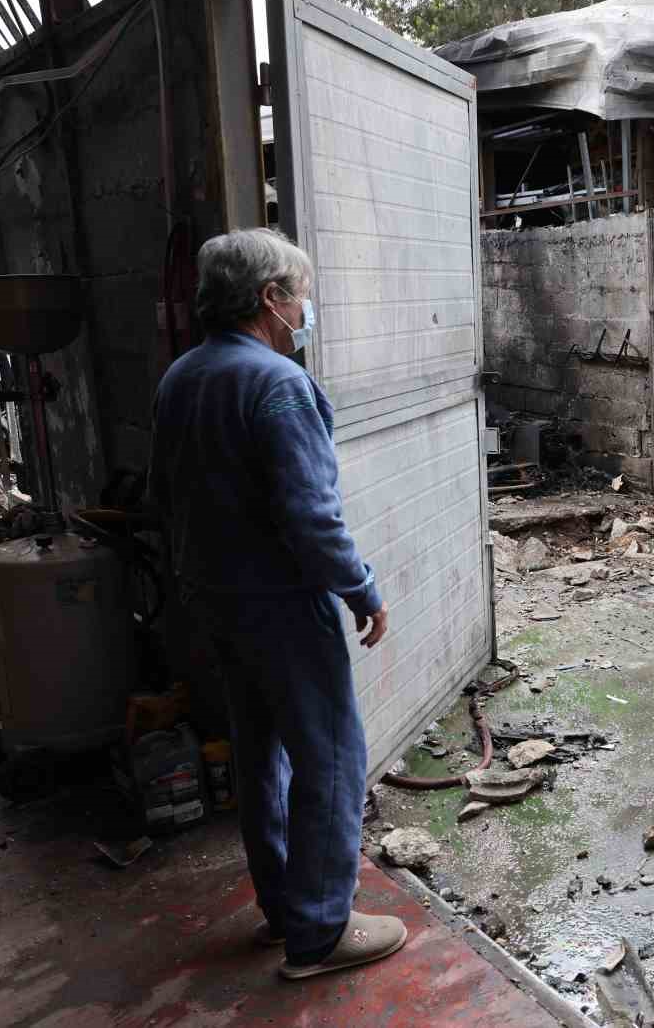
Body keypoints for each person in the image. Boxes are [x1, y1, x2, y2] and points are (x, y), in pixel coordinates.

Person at [147, 228, 407, 980]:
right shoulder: (277, 383)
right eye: (300, 294)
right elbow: (311, 516)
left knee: (262, 751)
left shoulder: (181, 378)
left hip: (216, 600)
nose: (307, 307)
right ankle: (321, 931)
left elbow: (166, 497)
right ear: (270, 299)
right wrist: (361, 587)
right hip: (281, 603)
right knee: (329, 753)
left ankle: (282, 907)